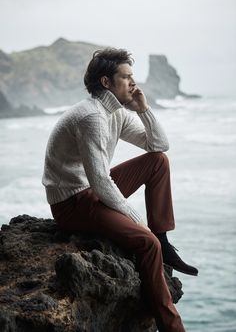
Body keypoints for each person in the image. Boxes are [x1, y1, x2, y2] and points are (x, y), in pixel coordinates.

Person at [42, 48, 198, 332]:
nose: (133, 84)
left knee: (158, 162)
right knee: (146, 244)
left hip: (91, 190)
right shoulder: (92, 117)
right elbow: (101, 182)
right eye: (126, 77)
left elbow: (159, 145)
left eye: (132, 77)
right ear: (106, 83)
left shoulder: (115, 113)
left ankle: (163, 238)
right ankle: (173, 327)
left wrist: (144, 110)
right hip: (72, 203)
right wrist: (137, 221)